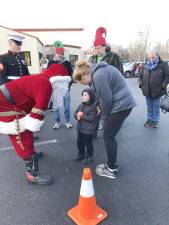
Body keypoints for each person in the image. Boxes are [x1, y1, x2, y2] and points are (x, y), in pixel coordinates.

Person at [0, 63, 71, 185]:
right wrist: (32, 124)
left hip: (9, 100)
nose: (64, 87)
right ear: (59, 80)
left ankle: (31, 155)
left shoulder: (43, 79)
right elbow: (39, 109)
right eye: (64, 84)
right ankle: (32, 174)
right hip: (5, 103)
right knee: (23, 134)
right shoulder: (46, 85)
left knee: (26, 131)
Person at [73, 60, 136, 179]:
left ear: (85, 74)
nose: (85, 84)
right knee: (109, 136)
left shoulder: (98, 75)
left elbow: (106, 100)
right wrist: (99, 108)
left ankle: (111, 169)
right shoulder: (98, 72)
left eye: (83, 81)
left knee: (108, 136)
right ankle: (112, 164)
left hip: (121, 106)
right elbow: (101, 96)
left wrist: (104, 117)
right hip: (123, 104)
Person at [0, 34, 42, 153]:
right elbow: (2, 79)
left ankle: (29, 140)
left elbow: (27, 77)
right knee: (19, 121)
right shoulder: (2, 58)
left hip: (24, 94)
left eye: (20, 44)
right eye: (17, 44)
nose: (19, 46)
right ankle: (28, 152)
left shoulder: (22, 59)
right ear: (10, 43)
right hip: (12, 95)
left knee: (28, 117)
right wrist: (6, 97)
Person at [89, 27, 124, 133]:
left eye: (98, 48)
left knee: (110, 106)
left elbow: (119, 73)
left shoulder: (114, 56)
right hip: (95, 87)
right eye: (95, 48)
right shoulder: (92, 58)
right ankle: (100, 122)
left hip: (110, 87)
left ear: (104, 47)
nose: (96, 50)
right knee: (97, 106)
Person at [138, 51, 169, 128]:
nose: (151, 59)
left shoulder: (163, 64)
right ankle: (149, 119)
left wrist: (163, 85)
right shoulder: (145, 64)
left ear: (157, 56)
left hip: (157, 90)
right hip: (146, 89)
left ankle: (155, 121)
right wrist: (141, 84)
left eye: (153, 57)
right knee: (149, 106)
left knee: (155, 107)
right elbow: (141, 76)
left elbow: (167, 76)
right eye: (149, 57)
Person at [47, 40, 73, 129]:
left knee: (67, 107)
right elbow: (48, 74)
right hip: (55, 88)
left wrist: (68, 86)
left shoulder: (67, 63)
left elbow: (70, 74)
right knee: (56, 107)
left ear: (63, 54)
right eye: (58, 54)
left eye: (61, 54)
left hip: (65, 88)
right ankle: (57, 122)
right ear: (56, 53)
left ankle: (67, 121)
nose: (59, 56)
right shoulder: (51, 62)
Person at [74, 88, 99, 164]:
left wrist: (82, 116)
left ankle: (90, 156)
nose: (83, 96)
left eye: (85, 95)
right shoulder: (81, 105)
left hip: (89, 129)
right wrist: (76, 116)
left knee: (88, 143)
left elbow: (92, 118)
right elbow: (75, 113)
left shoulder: (93, 106)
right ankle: (81, 154)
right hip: (80, 128)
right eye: (82, 95)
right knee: (79, 142)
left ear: (90, 96)